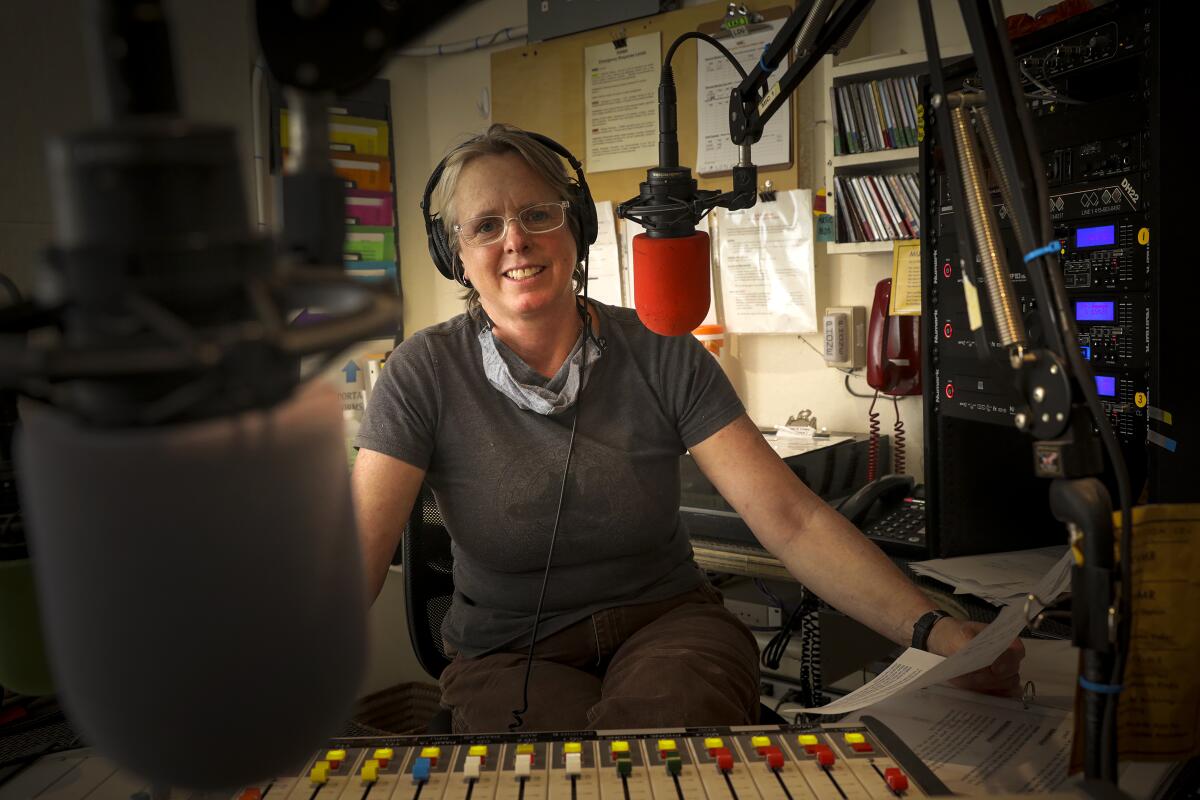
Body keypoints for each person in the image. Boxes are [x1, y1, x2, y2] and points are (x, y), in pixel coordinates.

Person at [352, 123, 1023, 733]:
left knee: (660, 738)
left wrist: (933, 631)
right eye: (485, 226)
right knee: (554, 770)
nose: (516, 240)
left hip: (668, 626)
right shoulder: (424, 371)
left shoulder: (660, 346)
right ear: (455, 254)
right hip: (507, 653)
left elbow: (792, 520)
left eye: (537, 214)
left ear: (575, 227)